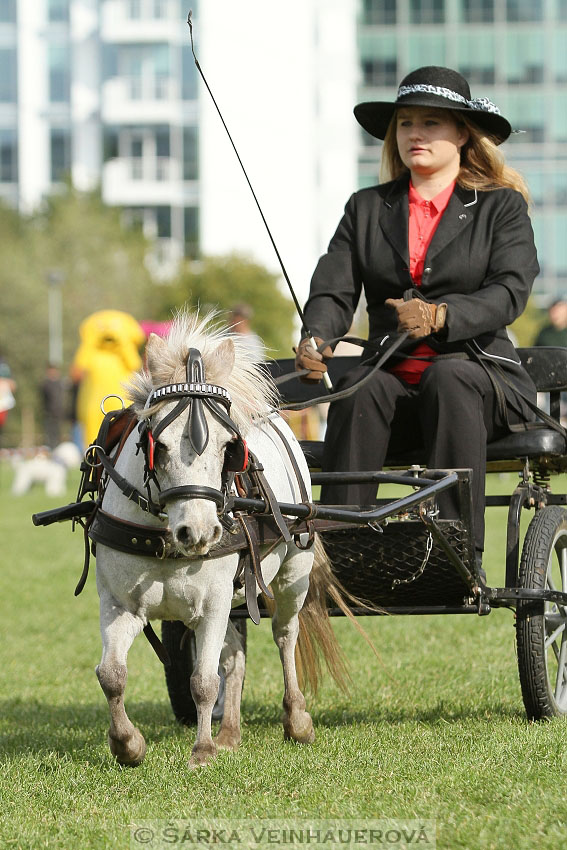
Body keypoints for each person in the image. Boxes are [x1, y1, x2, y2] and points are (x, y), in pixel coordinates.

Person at [294, 66, 539, 569]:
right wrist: (316, 337)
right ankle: (341, 549)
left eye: (431, 123)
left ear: (463, 134)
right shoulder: (365, 209)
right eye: (406, 123)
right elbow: (335, 288)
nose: (415, 134)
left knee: (449, 378)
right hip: (393, 381)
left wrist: (442, 315)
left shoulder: (501, 209)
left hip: (481, 380)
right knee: (360, 386)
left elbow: (509, 292)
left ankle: (455, 551)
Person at [40, 363, 65, 449]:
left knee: (57, 432)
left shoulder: (60, 383)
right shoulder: (46, 384)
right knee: (49, 433)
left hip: (58, 412)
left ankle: (56, 448)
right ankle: (50, 448)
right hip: (49, 413)